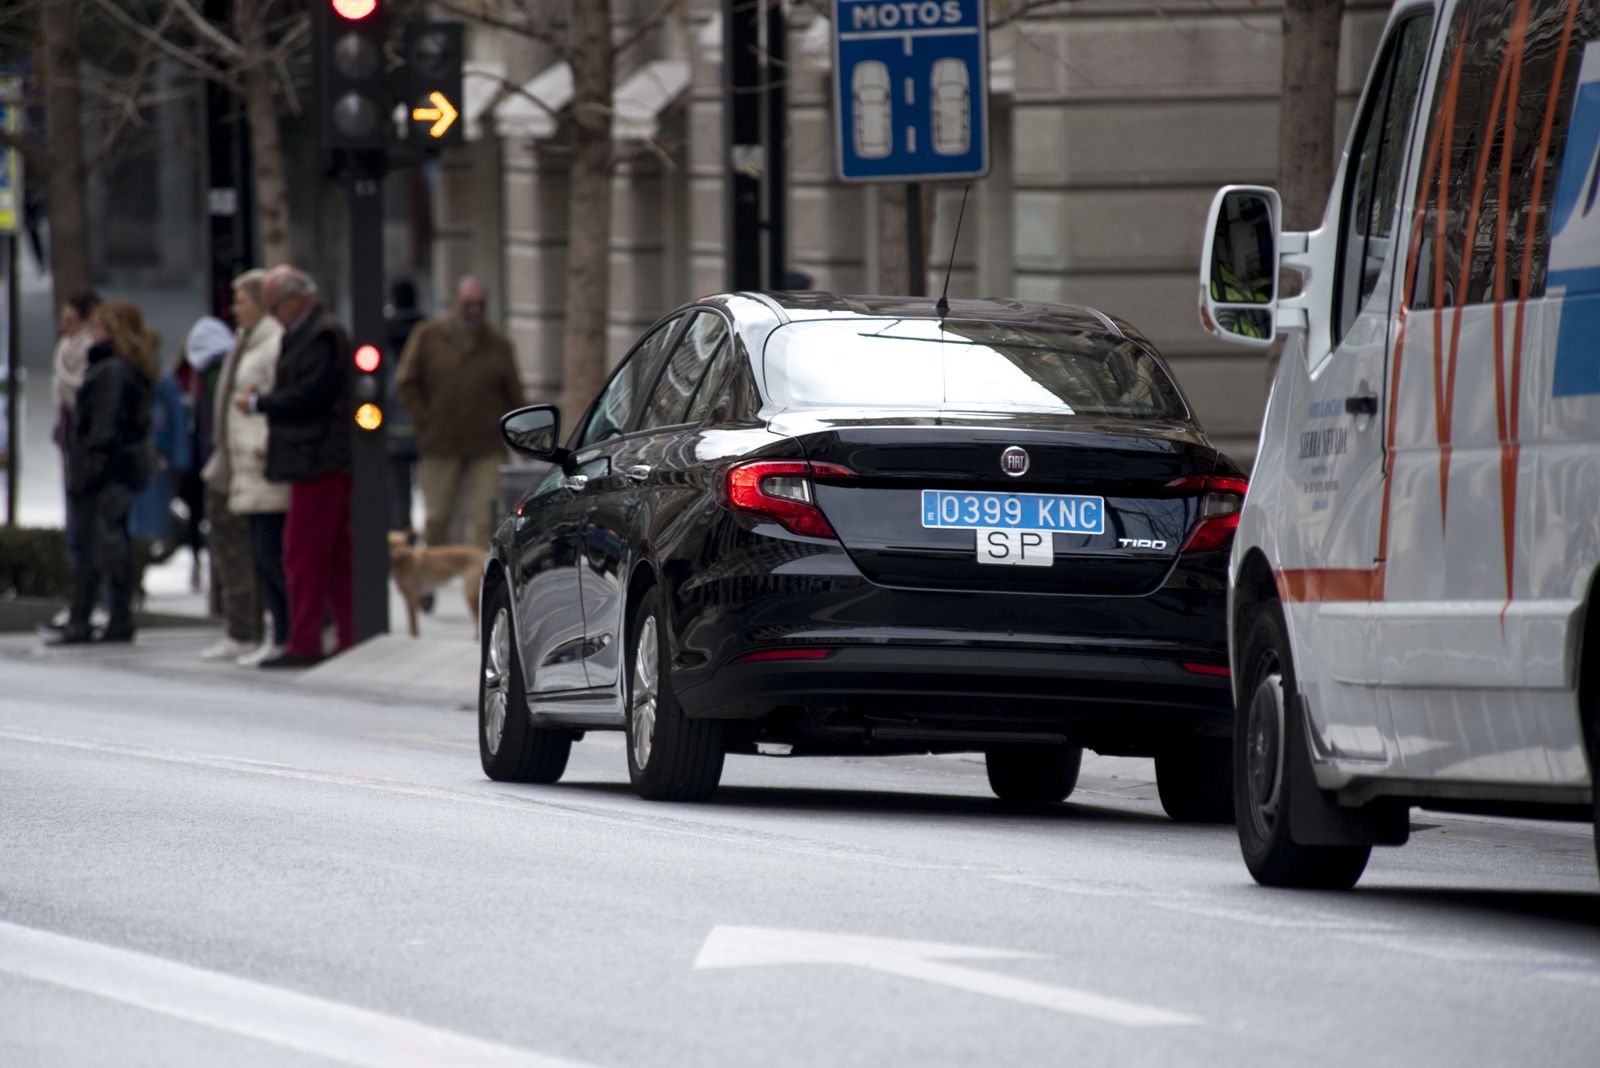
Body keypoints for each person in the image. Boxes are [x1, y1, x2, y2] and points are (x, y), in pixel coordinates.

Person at [234, 266, 353, 669]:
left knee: (303, 553)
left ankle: (305, 642)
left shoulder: (320, 334)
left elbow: (310, 394)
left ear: (296, 299)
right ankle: (343, 635)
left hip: (318, 459)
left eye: (274, 305)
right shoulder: (310, 331)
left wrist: (259, 403)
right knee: (330, 554)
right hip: (312, 458)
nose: (273, 314)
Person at [47, 300, 157, 646]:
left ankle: (90, 619)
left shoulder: (111, 370)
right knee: (108, 544)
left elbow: (103, 429)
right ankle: (110, 618)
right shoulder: (124, 367)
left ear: (111, 331)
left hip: (104, 473)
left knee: (98, 546)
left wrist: (87, 471)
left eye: (96, 328)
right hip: (115, 470)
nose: (89, 335)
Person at [396, 276, 525, 549]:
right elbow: (407, 382)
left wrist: (521, 435)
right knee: (437, 519)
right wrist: (424, 420)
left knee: (485, 519)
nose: (474, 311)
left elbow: (514, 396)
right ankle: (430, 584)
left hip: (486, 445)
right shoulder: (428, 335)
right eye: (468, 304)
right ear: (456, 302)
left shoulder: (499, 345)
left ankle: (477, 583)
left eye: (480, 305)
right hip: (439, 442)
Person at [210, 270, 288, 666]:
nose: (234, 307)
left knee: (269, 556)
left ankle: (280, 633)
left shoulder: (272, 342)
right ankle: (269, 632)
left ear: (260, 302)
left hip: (262, 466)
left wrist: (259, 444)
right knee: (258, 555)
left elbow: (275, 399)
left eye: (241, 300)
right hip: (243, 465)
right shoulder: (247, 339)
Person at [189, 311, 264, 662]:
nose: (236, 307)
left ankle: (244, 629)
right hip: (230, 467)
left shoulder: (223, 366)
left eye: (241, 300)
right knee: (241, 553)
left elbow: (223, 423)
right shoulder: (232, 358)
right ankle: (248, 628)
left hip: (232, 470)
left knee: (236, 553)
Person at [383, 279, 426, 534]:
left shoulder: (383, 331)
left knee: (399, 493)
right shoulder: (427, 330)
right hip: (423, 426)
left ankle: (402, 534)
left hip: (392, 427)